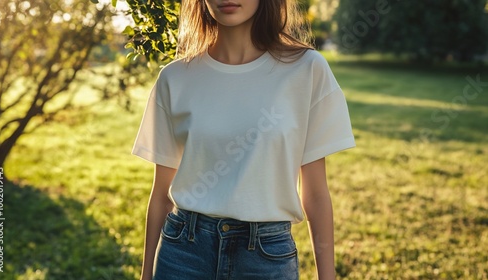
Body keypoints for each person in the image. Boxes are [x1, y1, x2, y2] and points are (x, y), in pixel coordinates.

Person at [132, 0, 356, 279]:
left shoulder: (307, 69)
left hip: (266, 256)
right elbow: (161, 194)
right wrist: (145, 274)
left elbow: (316, 194)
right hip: (182, 254)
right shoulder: (174, 78)